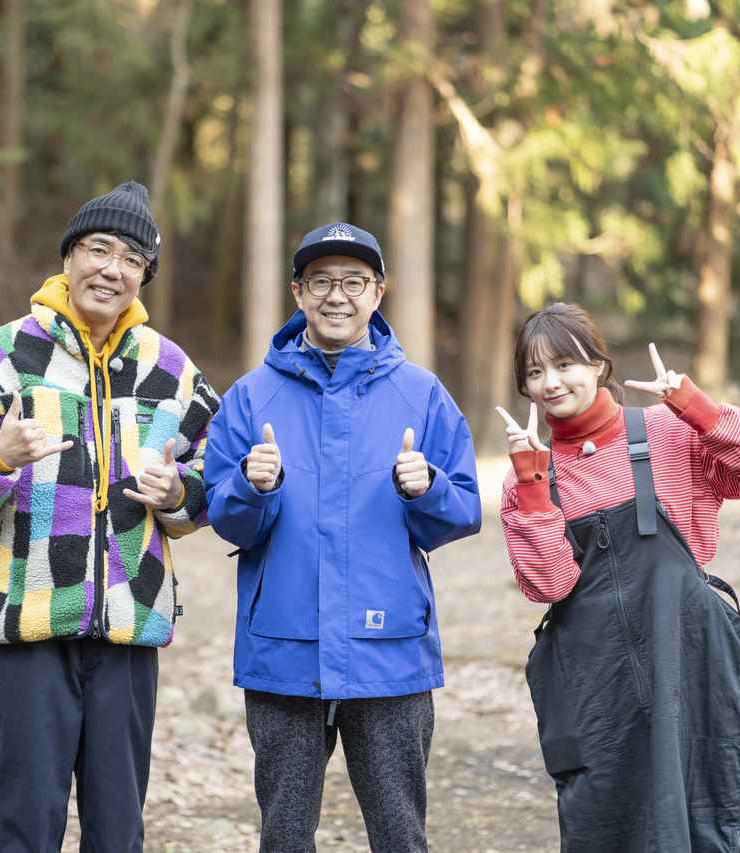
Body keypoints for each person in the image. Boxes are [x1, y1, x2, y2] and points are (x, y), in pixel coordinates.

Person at [0, 181, 220, 853]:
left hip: (129, 631)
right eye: (98, 248)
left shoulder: (171, 371)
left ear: (144, 275)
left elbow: (215, 482)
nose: (112, 268)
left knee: (119, 834)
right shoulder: (0, 356)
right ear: (68, 256)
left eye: (131, 258)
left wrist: (177, 494)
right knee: (28, 829)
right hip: (26, 630)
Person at [203, 222, 482, 852]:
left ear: (379, 292)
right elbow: (225, 518)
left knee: (401, 835)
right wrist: (253, 486)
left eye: (353, 282)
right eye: (322, 282)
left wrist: (425, 489)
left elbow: (462, 509)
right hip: (284, 650)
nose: (338, 296)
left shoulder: (422, 394)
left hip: (390, 653)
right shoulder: (250, 397)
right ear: (298, 292)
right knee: (283, 836)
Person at [495, 302, 740, 852]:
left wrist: (697, 408)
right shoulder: (530, 474)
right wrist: (534, 486)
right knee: (604, 821)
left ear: (597, 364)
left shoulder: (667, 431)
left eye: (564, 364)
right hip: (593, 682)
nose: (550, 383)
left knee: (708, 810)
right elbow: (548, 586)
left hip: (688, 661)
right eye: (534, 373)